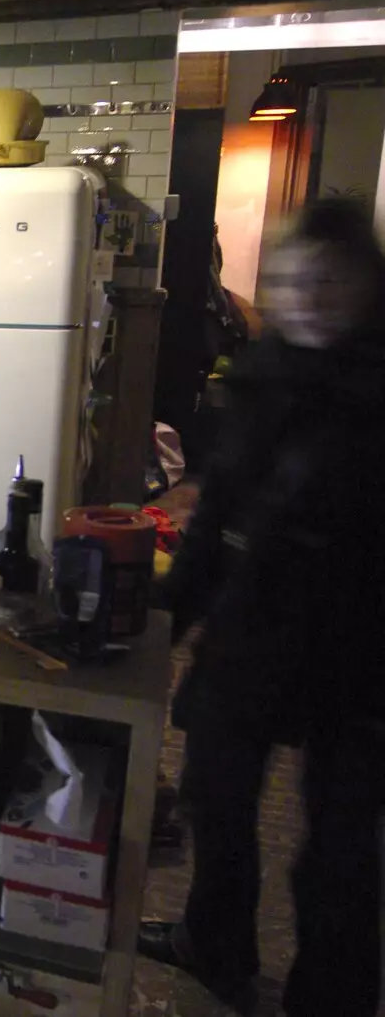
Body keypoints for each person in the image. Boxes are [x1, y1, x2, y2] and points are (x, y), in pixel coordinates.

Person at [140, 199, 385, 1017]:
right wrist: (161, 617)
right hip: (255, 628)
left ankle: (332, 996)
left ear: (363, 283)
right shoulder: (263, 371)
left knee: (342, 848)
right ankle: (216, 946)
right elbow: (216, 520)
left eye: (328, 279)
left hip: (361, 647)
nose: (307, 296)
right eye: (290, 279)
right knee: (216, 794)